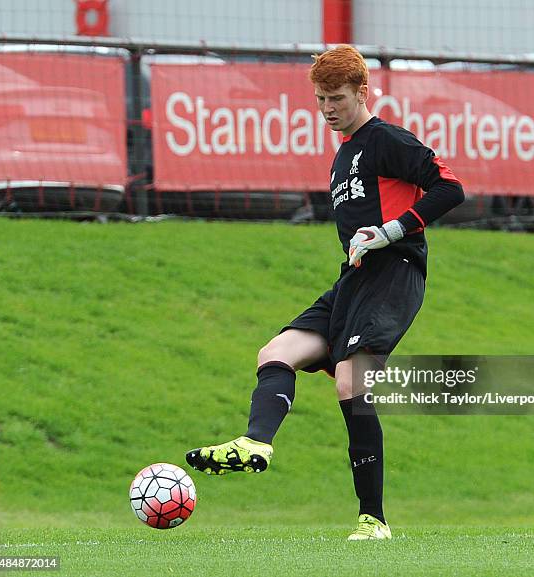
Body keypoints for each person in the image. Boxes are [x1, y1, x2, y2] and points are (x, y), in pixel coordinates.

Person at [186, 45, 464, 540]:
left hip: (394, 273)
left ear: (363, 91)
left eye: (336, 98)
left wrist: (392, 231)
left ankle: (373, 519)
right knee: (276, 352)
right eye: (320, 100)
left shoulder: (385, 140)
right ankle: (255, 444)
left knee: (350, 381)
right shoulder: (343, 154)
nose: (327, 108)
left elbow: (449, 187)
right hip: (353, 281)